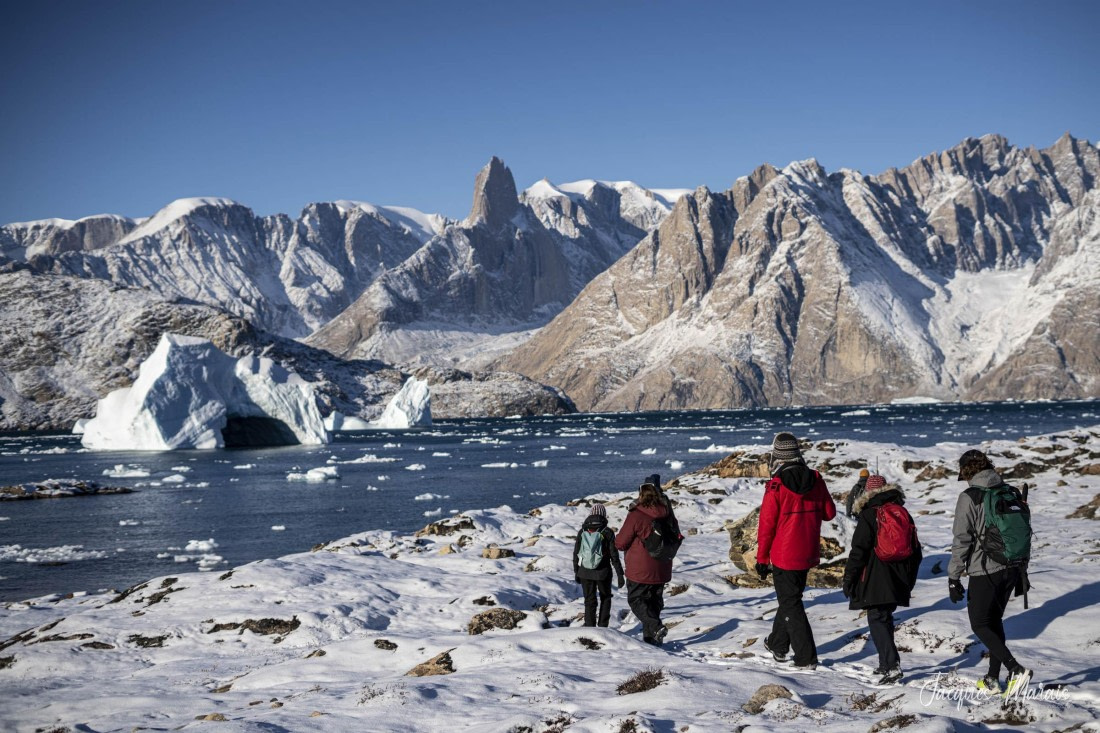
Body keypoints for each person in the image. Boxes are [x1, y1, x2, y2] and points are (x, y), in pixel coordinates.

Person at [949, 449, 1032, 696]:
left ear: (966, 471)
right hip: (1013, 566)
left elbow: (961, 538)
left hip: (986, 569)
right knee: (994, 621)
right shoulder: (1008, 491)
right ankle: (992, 679)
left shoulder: (970, 496)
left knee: (980, 624)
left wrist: (954, 575)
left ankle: (1015, 669)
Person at [756, 432, 837, 669]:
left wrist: (762, 558)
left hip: (784, 554)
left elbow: (767, 526)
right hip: (807, 550)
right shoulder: (815, 479)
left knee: (791, 603)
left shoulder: (776, 486)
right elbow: (829, 513)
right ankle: (778, 645)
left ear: (777, 455)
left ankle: (806, 658)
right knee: (790, 599)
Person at [842, 474, 922, 685]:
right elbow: (916, 550)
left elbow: (858, 551)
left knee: (877, 619)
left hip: (876, 577)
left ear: (867, 493)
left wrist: (849, 578)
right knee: (884, 618)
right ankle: (885, 664)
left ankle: (891, 665)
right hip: (898, 576)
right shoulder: (903, 512)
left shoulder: (869, 515)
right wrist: (909, 579)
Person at [616, 478, 676, 645]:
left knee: (636, 600)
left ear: (641, 494)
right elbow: (675, 534)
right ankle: (653, 643)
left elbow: (621, 543)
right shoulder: (666, 512)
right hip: (662, 566)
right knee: (654, 604)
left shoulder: (636, 514)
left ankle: (655, 628)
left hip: (640, 569)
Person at [573, 503, 625, 627]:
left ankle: (589, 626)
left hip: (585, 572)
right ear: (604, 515)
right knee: (605, 598)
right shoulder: (607, 532)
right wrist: (620, 574)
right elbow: (614, 556)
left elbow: (576, 553)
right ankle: (603, 626)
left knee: (589, 601)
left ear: (591, 514)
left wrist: (577, 571)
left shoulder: (582, 531)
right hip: (603, 572)